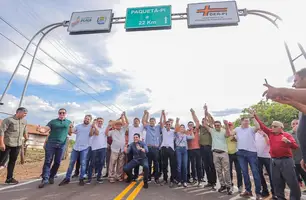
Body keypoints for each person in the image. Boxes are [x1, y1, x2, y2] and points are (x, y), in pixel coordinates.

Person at [254, 113, 301, 199]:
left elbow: (295, 146)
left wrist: (287, 142)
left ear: (281, 128)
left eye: (275, 126)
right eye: (272, 126)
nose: (272, 127)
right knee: (277, 182)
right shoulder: (270, 133)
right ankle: (280, 198)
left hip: (286, 161)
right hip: (274, 161)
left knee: (292, 181)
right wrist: (255, 116)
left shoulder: (287, 135)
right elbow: (262, 126)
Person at [229, 110, 262, 199]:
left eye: (248, 121)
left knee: (255, 173)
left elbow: (258, 127)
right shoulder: (237, 129)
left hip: (251, 153)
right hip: (240, 153)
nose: (247, 122)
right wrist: (228, 127)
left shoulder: (251, 128)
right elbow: (229, 134)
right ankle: (248, 191)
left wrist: (253, 117)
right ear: (241, 122)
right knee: (245, 173)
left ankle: (258, 193)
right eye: (245, 121)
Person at [37, 108, 73, 188]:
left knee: (57, 162)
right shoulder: (53, 121)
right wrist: (40, 130)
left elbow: (70, 133)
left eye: (63, 113)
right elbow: (45, 129)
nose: (62, 114)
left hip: (61, 145)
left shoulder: (68, 122)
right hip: (51, 143)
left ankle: (52, 176)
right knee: (48, 161)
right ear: (58, 113)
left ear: (65, 114)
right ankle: (45, 179)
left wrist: (71, 128)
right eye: (60, 113)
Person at [58, 115, 92, 186]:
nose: (87, 120)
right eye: (86, 118)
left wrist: (94, 126)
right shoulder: (78, 126)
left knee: (83, 164)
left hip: (85, 148)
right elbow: (70, 133)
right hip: (76, 147)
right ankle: (67, 178)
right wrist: (70, 127)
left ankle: (81, 178)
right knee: (71, 163)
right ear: (84, 119)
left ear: (90, 120)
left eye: (88, 119)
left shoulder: (91, 127)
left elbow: (92, 134)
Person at [0, 107, 28, 184]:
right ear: (18, 112)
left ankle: (9, 178)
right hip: (7, 144)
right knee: (1, 161)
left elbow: (25, 130)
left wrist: (26, 138)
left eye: (26, 114)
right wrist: (1, 143)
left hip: (17, 145)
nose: (25, 115)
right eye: (24, 113)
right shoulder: (8, 120)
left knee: (12, 161)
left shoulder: (24, 121)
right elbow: (1, 132)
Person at [205, 118, 232, 195]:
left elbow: (228, 135)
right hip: (215, 153)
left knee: (226, 170)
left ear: (220, 125)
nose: (217, 126)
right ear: (214, 125)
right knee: (219, 170)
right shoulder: (212, 131)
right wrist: (206, 111)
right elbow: (206, 125)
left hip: (224, 153)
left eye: (218, 125)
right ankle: (222, 185)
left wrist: (226, 125)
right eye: (215, 125)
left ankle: (229, 186)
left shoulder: (224, 130)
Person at [105, 112, 128, 183]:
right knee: (112, 163)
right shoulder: (112, 131)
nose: (118, 125)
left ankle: (118, 176)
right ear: (115, 125)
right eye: (117, 124)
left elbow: (126, 124)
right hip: (114, 149)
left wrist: (123, 117)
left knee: (120, 164)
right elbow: (106, 133)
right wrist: (109, 126)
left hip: (121, 149)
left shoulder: (123, 130)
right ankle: (111, 176)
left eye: (120, 124)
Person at [142, 110, 162, 183]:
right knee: (149, 163)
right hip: (148, 148)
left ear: (155, 122)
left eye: (153, 121)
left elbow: (162, 123)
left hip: (156, 148)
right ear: (149, 122)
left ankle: (156, 178)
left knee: (156, 164)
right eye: (151, 121)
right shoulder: (147, 127)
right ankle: (149, 177)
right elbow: (143, 121)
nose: (152, 122)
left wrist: (162, 114)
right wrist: (145, 114)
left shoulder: (158, 127)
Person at [174, 118, 194, 187]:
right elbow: (175, 129)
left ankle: (185, 181)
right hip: (178, 149)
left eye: (183, 127)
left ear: (184, 129)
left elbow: (192, 137)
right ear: (179, 128)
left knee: (185, 166)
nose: (182, 128)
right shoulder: (177, 134)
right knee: (179, 166)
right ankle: (179, 180)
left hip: (185, 150)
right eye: (181, 127)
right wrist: (177, 122)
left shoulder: (185, 135)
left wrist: (191, 130)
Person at [86, 117, 107, 184]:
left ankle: (99, 177)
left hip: (103, 147)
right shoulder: (93, 127)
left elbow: (99, 133)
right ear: (97, 122)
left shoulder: (104, 128)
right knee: (92, 163)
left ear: (103, 122)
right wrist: (93, 127)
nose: (100, 122)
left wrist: (94, 126)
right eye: (99, 121)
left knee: (101, 163)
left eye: (101, 121)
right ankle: (89, 178)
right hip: (94, 148)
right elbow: (91, 134)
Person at [255, 130, 275, 198]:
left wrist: (265, 136)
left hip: (267, 157)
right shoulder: (254, 133)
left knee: (271, 175)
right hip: (258, 157)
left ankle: (274, 192)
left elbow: (269, 143)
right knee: (260, 174)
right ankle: (265, 190)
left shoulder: (267, 132)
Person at [159, 110, 176, 187]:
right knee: (164, 165)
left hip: (171, 149)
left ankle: (172, 180)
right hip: (164, 149)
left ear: (171, 124)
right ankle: (165, 179)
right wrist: (163, 115)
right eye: (167, 124)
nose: (168, 125)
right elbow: (162, 122)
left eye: (169, 124)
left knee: (172, 165)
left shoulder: (173, 131)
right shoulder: (163, 130)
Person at [188, 109, 203, 187]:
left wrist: (193, 113)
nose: (190, 125)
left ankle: (200, 180)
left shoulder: (196, 130)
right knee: (192, 165)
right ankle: (194, 179)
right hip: (190, 150)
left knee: (199, 165)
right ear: (188, 126)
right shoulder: (187, 132)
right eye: (189, 125)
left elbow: (197, 121)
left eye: (191, 124)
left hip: (197, 149)